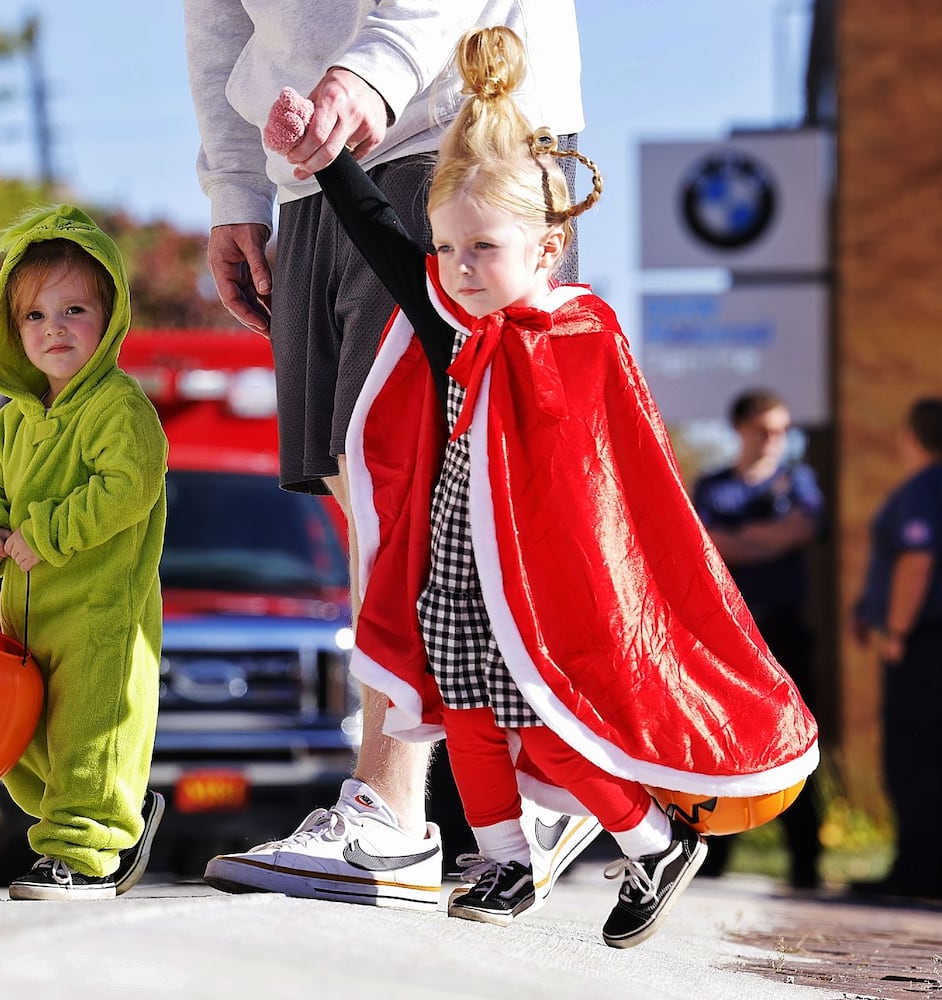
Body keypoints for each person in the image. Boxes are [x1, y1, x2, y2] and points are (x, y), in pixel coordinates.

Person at [239, 26, 819, 948]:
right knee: (463, 720)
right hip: (458, 583)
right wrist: (324, 158)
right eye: (449, 247)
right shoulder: (448, 327)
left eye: (483, 247)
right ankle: (501, 855)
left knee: (549, 728)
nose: (459, 269)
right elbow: (384, 243)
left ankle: (649, 840)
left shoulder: (577, 339)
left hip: (538, 596)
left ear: (548, 250)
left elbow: (611, 493)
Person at [185, 0, 590, 906]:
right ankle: (553, 764)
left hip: (456, 126)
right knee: (355, 479)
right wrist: (236, 189)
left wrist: (374, 68)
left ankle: (394, 814)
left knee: (403, 481)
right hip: (308, 163)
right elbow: (218, 19)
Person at [0, 205, 168, 900]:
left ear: (107, 318)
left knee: (90, 731)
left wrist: (45, 532)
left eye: (73, 309)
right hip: (26, 619)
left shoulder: (119, 407)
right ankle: (112, 821)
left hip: (97, 612)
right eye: (34, 317)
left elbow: (127, 488)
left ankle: (83, 851)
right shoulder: (12, 422)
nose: (53, 329)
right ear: (11, 331)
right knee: (28, 743)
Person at [690, 389, 826, 890]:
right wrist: (763, 536)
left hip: (785, 632)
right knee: (724, 742)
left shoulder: (800, 480)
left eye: (782, 430)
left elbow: (796, 532)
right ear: (741, 429)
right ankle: (716, 857)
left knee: (796, 743)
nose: (775, 440)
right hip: (730, 638)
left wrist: (740, 540)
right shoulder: (713, 486)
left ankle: (806, 861)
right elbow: (707, 547)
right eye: (765, 429)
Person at [851, 397, 942, 901]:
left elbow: (917, 560)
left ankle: (922, 871)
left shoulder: (925, 489)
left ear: (910, 435)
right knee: (940, 758)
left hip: (924, 643)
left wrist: (897, 631)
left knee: (916, 756)